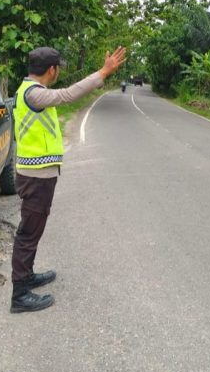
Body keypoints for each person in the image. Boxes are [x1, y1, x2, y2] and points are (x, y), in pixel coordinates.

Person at [10, 45, 126, 313]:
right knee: (28, 233)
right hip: (35, 177)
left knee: (33, 230)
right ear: (52, 70)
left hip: (38, 174)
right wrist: (103, 72)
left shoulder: (30, 90)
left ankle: (26, 276)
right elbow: (68, 94)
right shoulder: (34, 93)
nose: (58, 72)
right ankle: (20, 294)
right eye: (58, 68)